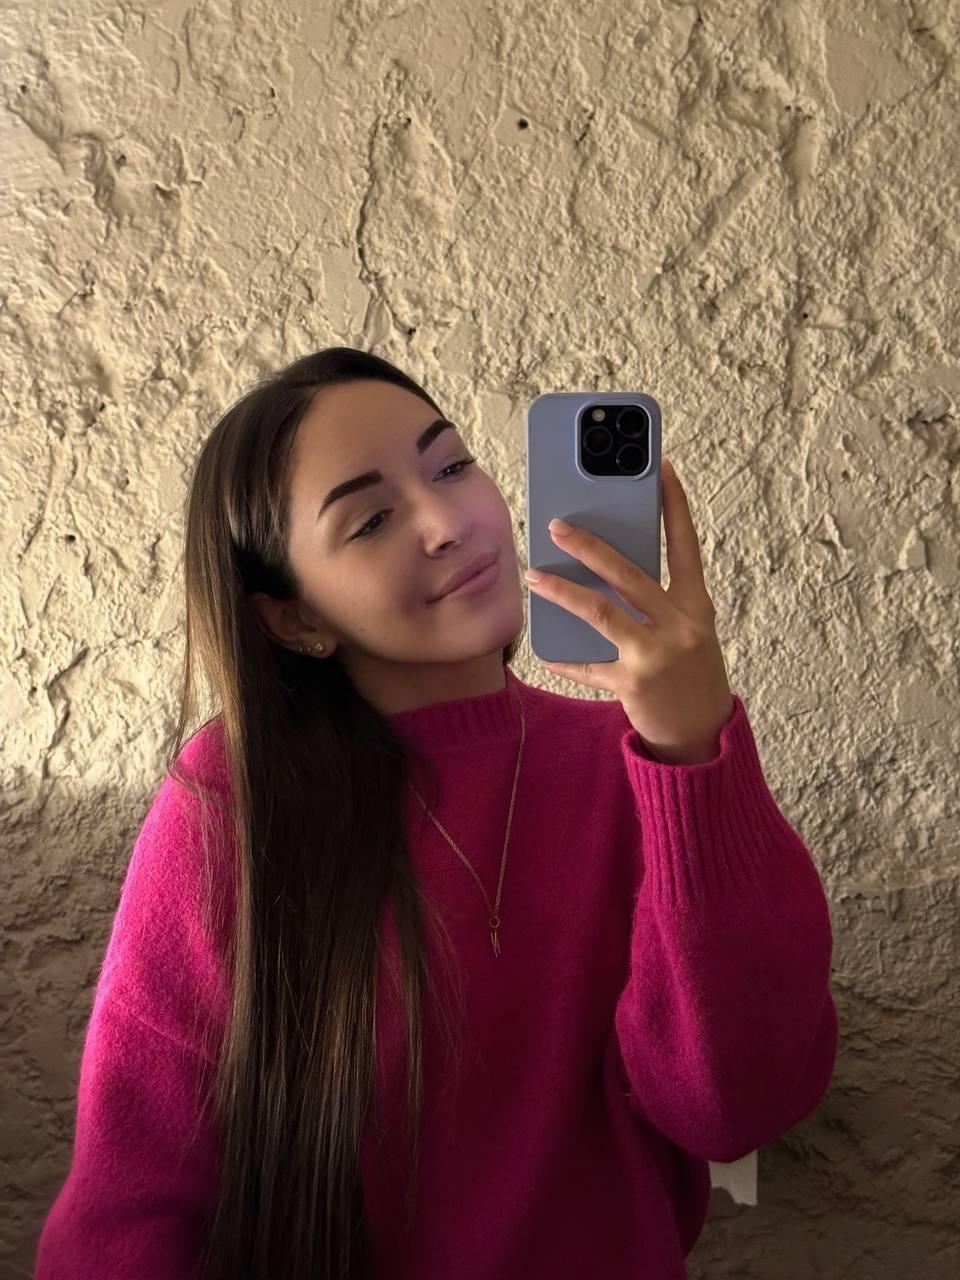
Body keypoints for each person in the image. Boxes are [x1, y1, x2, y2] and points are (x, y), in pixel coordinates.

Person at [34, 347, 838, 1279]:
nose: (449, 523)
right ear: (294, 619)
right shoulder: (235, 801)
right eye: (373, 518)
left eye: (452, 465)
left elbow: (737, 1109)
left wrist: (695, 754)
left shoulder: (641, 769)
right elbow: (130, 1205)